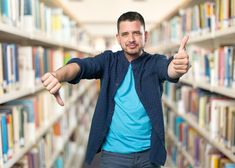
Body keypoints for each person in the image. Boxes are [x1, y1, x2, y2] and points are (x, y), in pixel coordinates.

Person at [41, 11, 190, 168]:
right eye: (125, 34)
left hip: (149, 154)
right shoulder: (108, 61)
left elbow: (169, 69)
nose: (131, 39)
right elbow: (81, 66)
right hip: (113, 155)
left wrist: (177, 66)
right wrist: (58, 75)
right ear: (118, 38)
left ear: (146, 35)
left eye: (136, 33)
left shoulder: (155, 62)